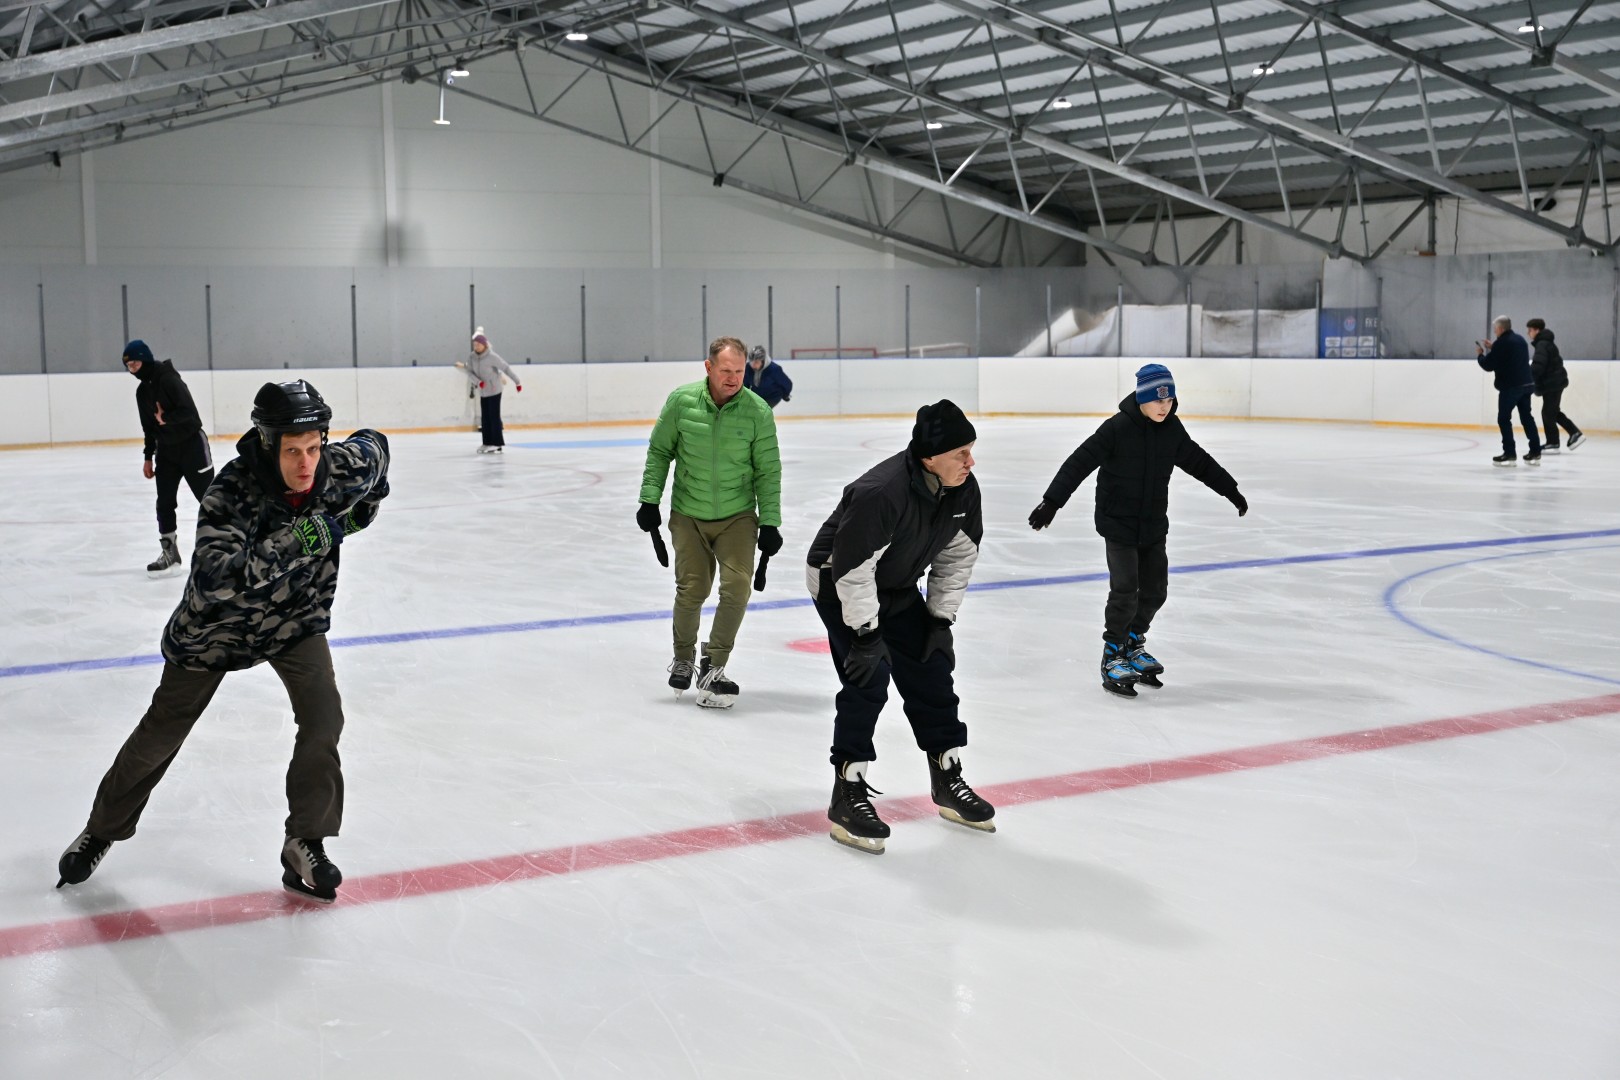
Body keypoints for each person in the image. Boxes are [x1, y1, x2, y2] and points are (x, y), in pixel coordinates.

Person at [56, 380, 391, 904]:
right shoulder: (230, 492)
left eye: (313, 448)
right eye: (293, 451)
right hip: (216, 629)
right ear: (268, 444)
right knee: (161, 734)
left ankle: (305, 840)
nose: (306, 463)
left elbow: (377, 448)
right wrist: (300, 540)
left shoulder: (338, 466)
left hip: (293, 618)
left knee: (324, 718)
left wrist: (363, 507)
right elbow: (216, 577)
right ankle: (101, 830)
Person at [806, 399, 993, 854]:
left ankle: (947, 777)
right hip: (839, 582)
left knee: (932, 669)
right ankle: (848, 792)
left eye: (970, 450)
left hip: (897, 584)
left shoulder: (963, 490)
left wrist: (940, 620)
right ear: (930, 457)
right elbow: (853, 569)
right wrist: (866, 635)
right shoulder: (882, 493)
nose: (970, 462)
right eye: (961, 453)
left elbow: (957, 557)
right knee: (867, 676)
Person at [1028, 364, 1247, 698]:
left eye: (1169, 400)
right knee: (1125, 590)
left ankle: (1133, 642)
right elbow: (1079, 462)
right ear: (1142, 398)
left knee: (1156, 590)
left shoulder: (1172, 430)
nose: (1165, 407)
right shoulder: (1117, 429)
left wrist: (1230, 490)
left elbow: (1200, 463)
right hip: (1118, 523)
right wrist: (1052, 502)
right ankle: (1112, 653)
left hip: (1153, 525)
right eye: (1158, 400)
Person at [638, 336, 782, 708]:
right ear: (709, 367)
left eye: (739, 371)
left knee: (737, 588)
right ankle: (683, 658)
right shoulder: (682, 401)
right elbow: (660, 451)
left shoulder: (757, 411)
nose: (733, 378)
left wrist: (770, 522)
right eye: (726, 371)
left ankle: (714, 664)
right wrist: (649, 499)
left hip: (737, 516)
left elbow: (768, 471)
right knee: (693, 589)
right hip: (689, 514)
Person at [124, 340, 215, 576]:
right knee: (164, 503)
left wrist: (167, 419)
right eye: (128, 366)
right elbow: (148, 427)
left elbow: (192, 416)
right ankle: (170, 553)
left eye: (134, 363)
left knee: (211, 501)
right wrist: (148, 456)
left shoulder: (169, 379)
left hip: (192, 447)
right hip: (166, 451)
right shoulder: (142, 392)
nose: (132, 369)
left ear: (145, 359)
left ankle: (226, 548)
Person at [1475, 316, 1541, 467]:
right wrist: (1494, 347)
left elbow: (1488, 365)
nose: (1495, 332)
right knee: (1527, 418)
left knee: (1504, 419)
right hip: (1526, 385)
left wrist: (1480, 355)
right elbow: (1509, 355)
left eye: (1495, 329)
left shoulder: (1501, 343)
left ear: (1500, 329)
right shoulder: (1520, 340)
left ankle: (1510, 453)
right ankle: (1535, 451)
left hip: (1511, 387)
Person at [454, 327, 522, 454]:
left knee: (494, 417)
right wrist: (478, 382)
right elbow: (469, 372)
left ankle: (497, 444)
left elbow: (505, 368)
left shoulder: (492, 356)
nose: (476, 346)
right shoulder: (472, 357)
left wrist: (517, 382)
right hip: (483, 391)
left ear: (484, 345)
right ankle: (487, 443)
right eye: (474, 344)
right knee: (485, 418)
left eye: (478, 344)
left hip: (495, 390)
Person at [1527, 318, 1586, 454]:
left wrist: (1528, 374)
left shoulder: (1542, 344)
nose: (1528, 333)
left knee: (1548, 412)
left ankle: (1554, 442)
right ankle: (1573, 434)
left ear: (1537, 330)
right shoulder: (1545, 343)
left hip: (1552, 383)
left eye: (1530, 330)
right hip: (1553, 382)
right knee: (1551, 411)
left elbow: (1538, 365)